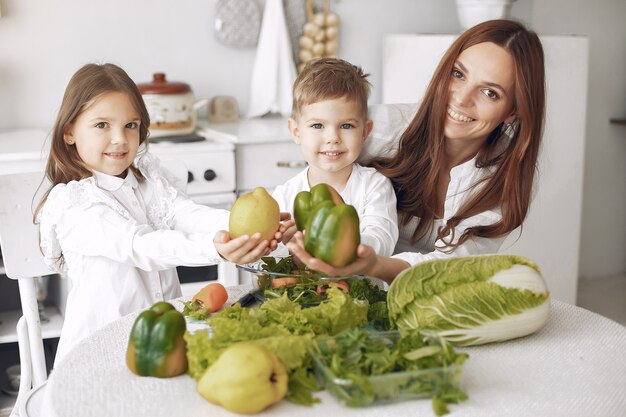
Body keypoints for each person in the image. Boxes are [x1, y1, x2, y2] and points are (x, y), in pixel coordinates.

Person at [35, 63, 281, 363]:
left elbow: (185, 214)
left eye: (130, 125)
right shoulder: (74, 203)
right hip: (103, 347)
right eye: (102, 125)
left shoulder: (146, 179)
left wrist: (246, 229)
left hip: (163, 336)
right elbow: (139, 245)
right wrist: (213, 248)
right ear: (70, 131)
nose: (119, 139)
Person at [288, 19, 546, 283]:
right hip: (350, 288)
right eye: (458, 74)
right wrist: (267, 237)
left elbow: (451, 268)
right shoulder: (382, 130)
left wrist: (373, 264)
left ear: (513, 112)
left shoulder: (505, 179)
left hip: (433, 296)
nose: (461, 98)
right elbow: (316, 182)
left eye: (490, 92)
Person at [272, 58, 398, 256]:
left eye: (346, 126)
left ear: (365, 131)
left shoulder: (374, 186)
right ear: (296, 131)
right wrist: (286, 246)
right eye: (317, 126)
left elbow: (381, 243)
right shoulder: (284, 195)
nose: (332, 138)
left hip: (358, 286)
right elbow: (266, 260)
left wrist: (327, 239)